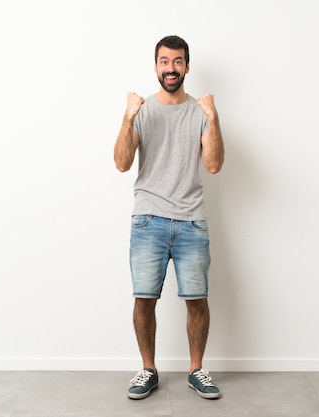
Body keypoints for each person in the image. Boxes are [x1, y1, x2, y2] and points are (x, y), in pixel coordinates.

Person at [113, 35, 224, 400]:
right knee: (144, 299)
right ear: (156, 66)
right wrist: (128, 117)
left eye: (177, 62)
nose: (171, 69)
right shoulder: (143, 110)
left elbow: (213, 164)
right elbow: (122, 163)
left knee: (197, 299)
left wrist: (214, 119)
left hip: (192, 220)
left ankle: (197, 370)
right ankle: (148, 369)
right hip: (149, 220)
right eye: (164, 61)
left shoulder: (200, 112)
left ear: (187, 66)